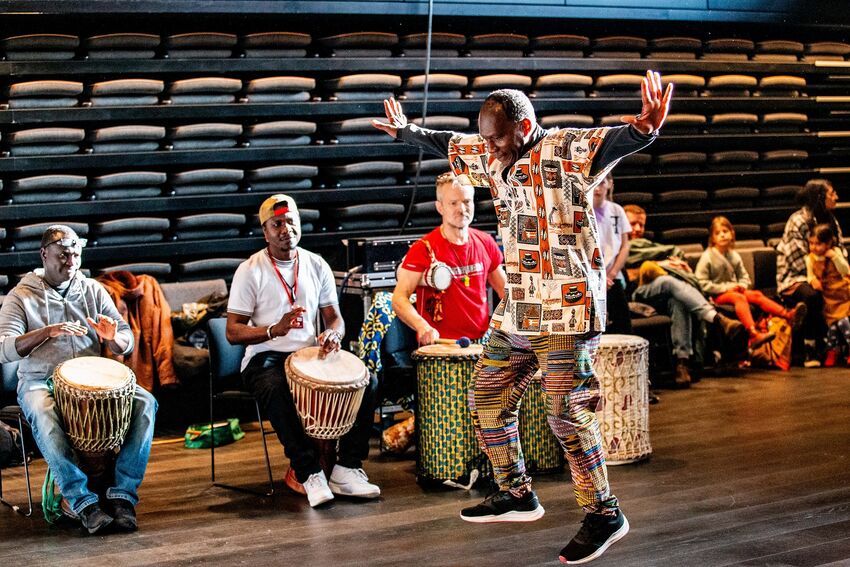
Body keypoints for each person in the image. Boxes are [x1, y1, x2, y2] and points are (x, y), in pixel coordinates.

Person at [373, 70, 672, 564]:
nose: (490, 150)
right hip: (519, 308)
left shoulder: (563, 149)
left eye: (497, 139)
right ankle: (515, 492)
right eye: (486, 140)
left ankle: (603, 513)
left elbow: (615, 142)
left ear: (525, 126)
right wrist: (407, 131)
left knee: (565, 412)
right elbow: (448, 143)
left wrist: (645, 129)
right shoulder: (492, 155)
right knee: (487, 396)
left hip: (566, 307)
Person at [0, 225, 156, 534]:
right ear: (44, 255)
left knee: (146, 402)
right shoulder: (21, 296)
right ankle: (81, 501)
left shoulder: (92, 290)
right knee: (44, 414)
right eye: (62, 255)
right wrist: (46, 332)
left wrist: (114, 338)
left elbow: (125, 340)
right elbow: (4, 349)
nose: (71, 261)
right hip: (40, 380)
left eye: (75, 255)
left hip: (91, 380)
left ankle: (123, 495)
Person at [226, 194, 380, 508]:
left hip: (310, 355)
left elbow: (334, 318)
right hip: (265, 357)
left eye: (291, 221)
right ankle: (308, 472)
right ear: (265, 232)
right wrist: (274, 329)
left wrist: (334, 334)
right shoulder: (250, 270)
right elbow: (233, 331)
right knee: (275, 387)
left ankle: (347, 467)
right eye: (277, 224)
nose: (286, 229)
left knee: (369, 381)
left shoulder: (316, 264)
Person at [624, 205, 747, 386]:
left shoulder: (650, 246)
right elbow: (627, 275)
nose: (637, 229)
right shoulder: (619, 246)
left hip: (663, 296)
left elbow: (673, 254)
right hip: (636, 295)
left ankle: (682, 363)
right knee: (667, 282)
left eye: (641, 225)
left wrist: (679, 266)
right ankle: (717, 318)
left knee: (678, 301)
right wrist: (660, 264)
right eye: (632, 224)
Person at [393, 171, 506, 345]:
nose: (462, 209)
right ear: (440, 207)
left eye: (467, 201)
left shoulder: (486, 242)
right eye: (453, 203)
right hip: (440, 347)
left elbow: (506, 291)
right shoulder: (424, 248)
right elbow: (399, 298)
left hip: (480, 345)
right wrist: (422, 326)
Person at [696, 216, 806, 350]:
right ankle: (753, 333)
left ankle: (788, 315)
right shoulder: (707, 257)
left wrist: (742, 285)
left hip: (733, 291)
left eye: (725, 231)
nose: (722, 235)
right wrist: (727, 288)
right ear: (712, 238)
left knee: (756, 295)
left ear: (732, 233)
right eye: (718, 233)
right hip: (716, 295)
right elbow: (702, 284)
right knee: (739, 298)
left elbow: (744, 277)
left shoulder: (734, 255)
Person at [777, 179, 843, 367]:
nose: (836, 197)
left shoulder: (831, 219)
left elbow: (840, 248)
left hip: (827, 275)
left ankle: (837, 346)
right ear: (820, 197)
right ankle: (810, 348)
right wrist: (816, 278)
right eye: (832, 193)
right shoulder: (798, 221)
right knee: (813, 295)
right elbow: (797, 259)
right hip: (797, 277)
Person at [806, 223, 850, 367]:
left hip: (842, 295)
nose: (814, 247)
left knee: (843, 322)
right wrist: (812, 281)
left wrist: (835, 257)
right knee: (832, 326)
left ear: (828, 243)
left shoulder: (836, 252)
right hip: (829, 297)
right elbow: (810, 275)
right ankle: (832, 350)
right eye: (811, 243)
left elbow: (845, 270)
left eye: (818, 244)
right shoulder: (810, 259)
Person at [593, 173, 632, 334]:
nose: (597, 188)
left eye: (602, 183)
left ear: (609, 184)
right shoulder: (583, 210)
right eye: (594, 183)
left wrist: (612, 273)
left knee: (623, 326)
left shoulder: (617, 210)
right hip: (592, 277)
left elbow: (624, 246)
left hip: (612, 276)